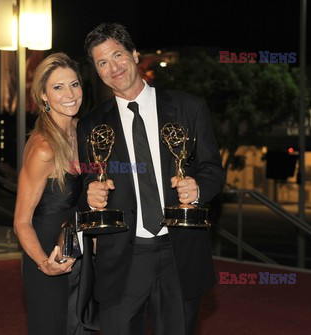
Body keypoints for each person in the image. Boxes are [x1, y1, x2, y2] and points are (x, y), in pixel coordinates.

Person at [77, 23, 226, 335]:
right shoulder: (91, 125)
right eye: (102, 62)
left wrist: (197, 187)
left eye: (118, 55)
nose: (113, 67)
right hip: (121, 258)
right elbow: (87, 182)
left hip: (179, 252)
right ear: (97, 71)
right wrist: (90, 195)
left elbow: (213, 169)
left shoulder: (188, 108)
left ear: (134, 54)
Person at [13, 52, 92, 335]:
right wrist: (44, 264)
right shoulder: (44, 149)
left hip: (79, 247)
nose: (69, 94)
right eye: (58, 87)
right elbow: (21, 220)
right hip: (48, 251)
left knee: (82, 327)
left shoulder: (81, 130)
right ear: (44, 96)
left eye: (74, 84)